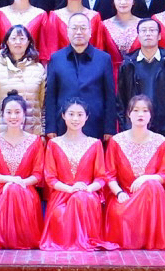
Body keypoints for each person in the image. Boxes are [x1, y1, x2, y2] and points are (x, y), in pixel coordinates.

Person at [39, 99, 112, 250]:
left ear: (86, 117)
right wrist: (71, 189)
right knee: (67, 206)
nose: (75, 119)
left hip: (88, 194)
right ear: (63, 116)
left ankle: (82, 241)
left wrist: (86, 189)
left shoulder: (95, 144)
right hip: (62, 195)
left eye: (80, 114)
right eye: (71, 114)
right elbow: (50, 178)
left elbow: (101, 178)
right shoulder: (54, 144)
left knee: (81, 198)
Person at [102, 95, 165, 249]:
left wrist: (145, 178)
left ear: (151, 115)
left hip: (150, 199)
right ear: (129, 114)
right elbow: (109, 175)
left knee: (153, 186)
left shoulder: (160, 141)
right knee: (121, 211)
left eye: (145, 111)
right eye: (136, 110)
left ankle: (151, 241)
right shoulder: (116, 141)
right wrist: (119, 193)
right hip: (124, 196)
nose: (141, 114)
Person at [0, 93, 44, 248]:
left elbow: (38, 174)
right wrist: (10, 180)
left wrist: (20, 183)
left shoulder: (35, 141)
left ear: (24, 114)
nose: (13, 116)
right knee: (10, 192)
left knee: (15, 191)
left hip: (26, 191)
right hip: (1, 192)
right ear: (2, 114)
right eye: (9, 112)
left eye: (17, 112)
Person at [45, 12, 117, 137]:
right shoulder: (56, 58)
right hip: (63, 124)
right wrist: (50, 128)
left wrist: (109, 129)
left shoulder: (104, 59)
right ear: (67, 31)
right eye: (74, 28)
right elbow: (51, 96)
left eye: (83, 28)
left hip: (95, 124)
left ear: (90, 32)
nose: (79, 32)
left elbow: (109, 96)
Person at [115, 18, 165, 135]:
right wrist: (125, 127)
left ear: (159, 36)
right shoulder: (128, 64)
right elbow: (121, 100)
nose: (148, 34)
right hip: (135, 128)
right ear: (138, 36)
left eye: (152, 30)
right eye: (144, 30)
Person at [0, 24, 46, 136]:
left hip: (32, 134)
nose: (18, 42)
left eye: (22, 39)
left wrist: (42, 132)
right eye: (14, 38)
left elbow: (43, 104)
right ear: (7, 42)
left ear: (28, 42)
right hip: (1, 133)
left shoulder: (38, 69)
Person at [100, 0, 142, 66]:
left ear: (133, 1)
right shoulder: (104, 25)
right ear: (113, 1)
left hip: (138, 71)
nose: (123, 2)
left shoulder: (142, 24)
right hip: (110, 71)